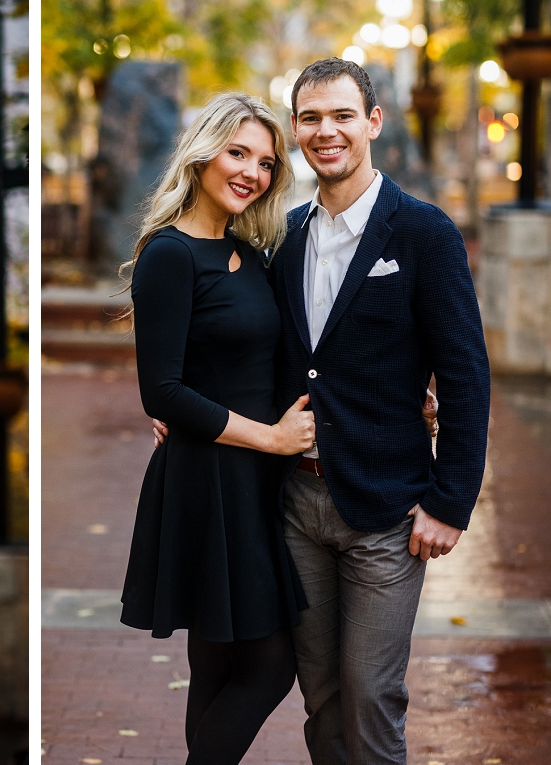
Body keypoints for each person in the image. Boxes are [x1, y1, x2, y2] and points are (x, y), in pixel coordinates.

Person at [153, 60, 490, 764]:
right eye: (310, 118)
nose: (325, 131)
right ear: (299, 131)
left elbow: (465, 372)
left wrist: (451, 501)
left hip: (388, 509)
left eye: (341, 115)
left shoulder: (424, 233)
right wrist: (181, 406)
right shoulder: (285, 238)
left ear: (372, 121)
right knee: (322, 696)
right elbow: (260, 352)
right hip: (293, 503)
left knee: (370, 694)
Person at [119, 92, 313, 765]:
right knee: (269, 665)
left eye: (264, 161)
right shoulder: (168, 256)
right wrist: (272, 438)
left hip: (252, 483)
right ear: (202, 154)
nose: (251, 172)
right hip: (210, 480)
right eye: (238, 153)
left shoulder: (254, 254)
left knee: (217, 666)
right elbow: (162, 389)